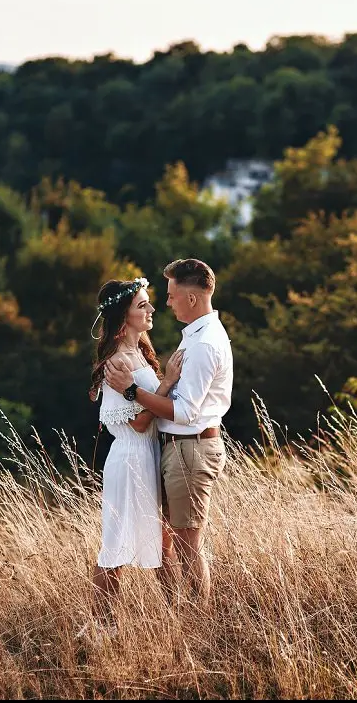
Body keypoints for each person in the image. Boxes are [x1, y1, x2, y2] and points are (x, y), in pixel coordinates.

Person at [104, 258, 233, 606]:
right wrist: (161, 385)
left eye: (172, 294)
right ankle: (173, 617)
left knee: (187, 543)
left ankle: (198, 623)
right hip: (158, 451)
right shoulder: (189, 339)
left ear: (191, 298)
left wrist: (135, 391)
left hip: (188, 449)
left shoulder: (203, 343)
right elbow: (141, 415)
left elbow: (184, 411)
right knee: (158, 542)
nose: (166, 302)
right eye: (146, 303)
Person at [87, 277, 185, 636]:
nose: (151, 309)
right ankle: (103, 626)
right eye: (142, 304)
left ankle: (179, 621)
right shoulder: (116, 362)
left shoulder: (139, 353)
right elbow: (142, 423)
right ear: (122, 314)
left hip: (147, 458)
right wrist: (168, 382)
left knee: (163, 542)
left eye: (149, 303)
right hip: (129, 459)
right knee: (115, 544)